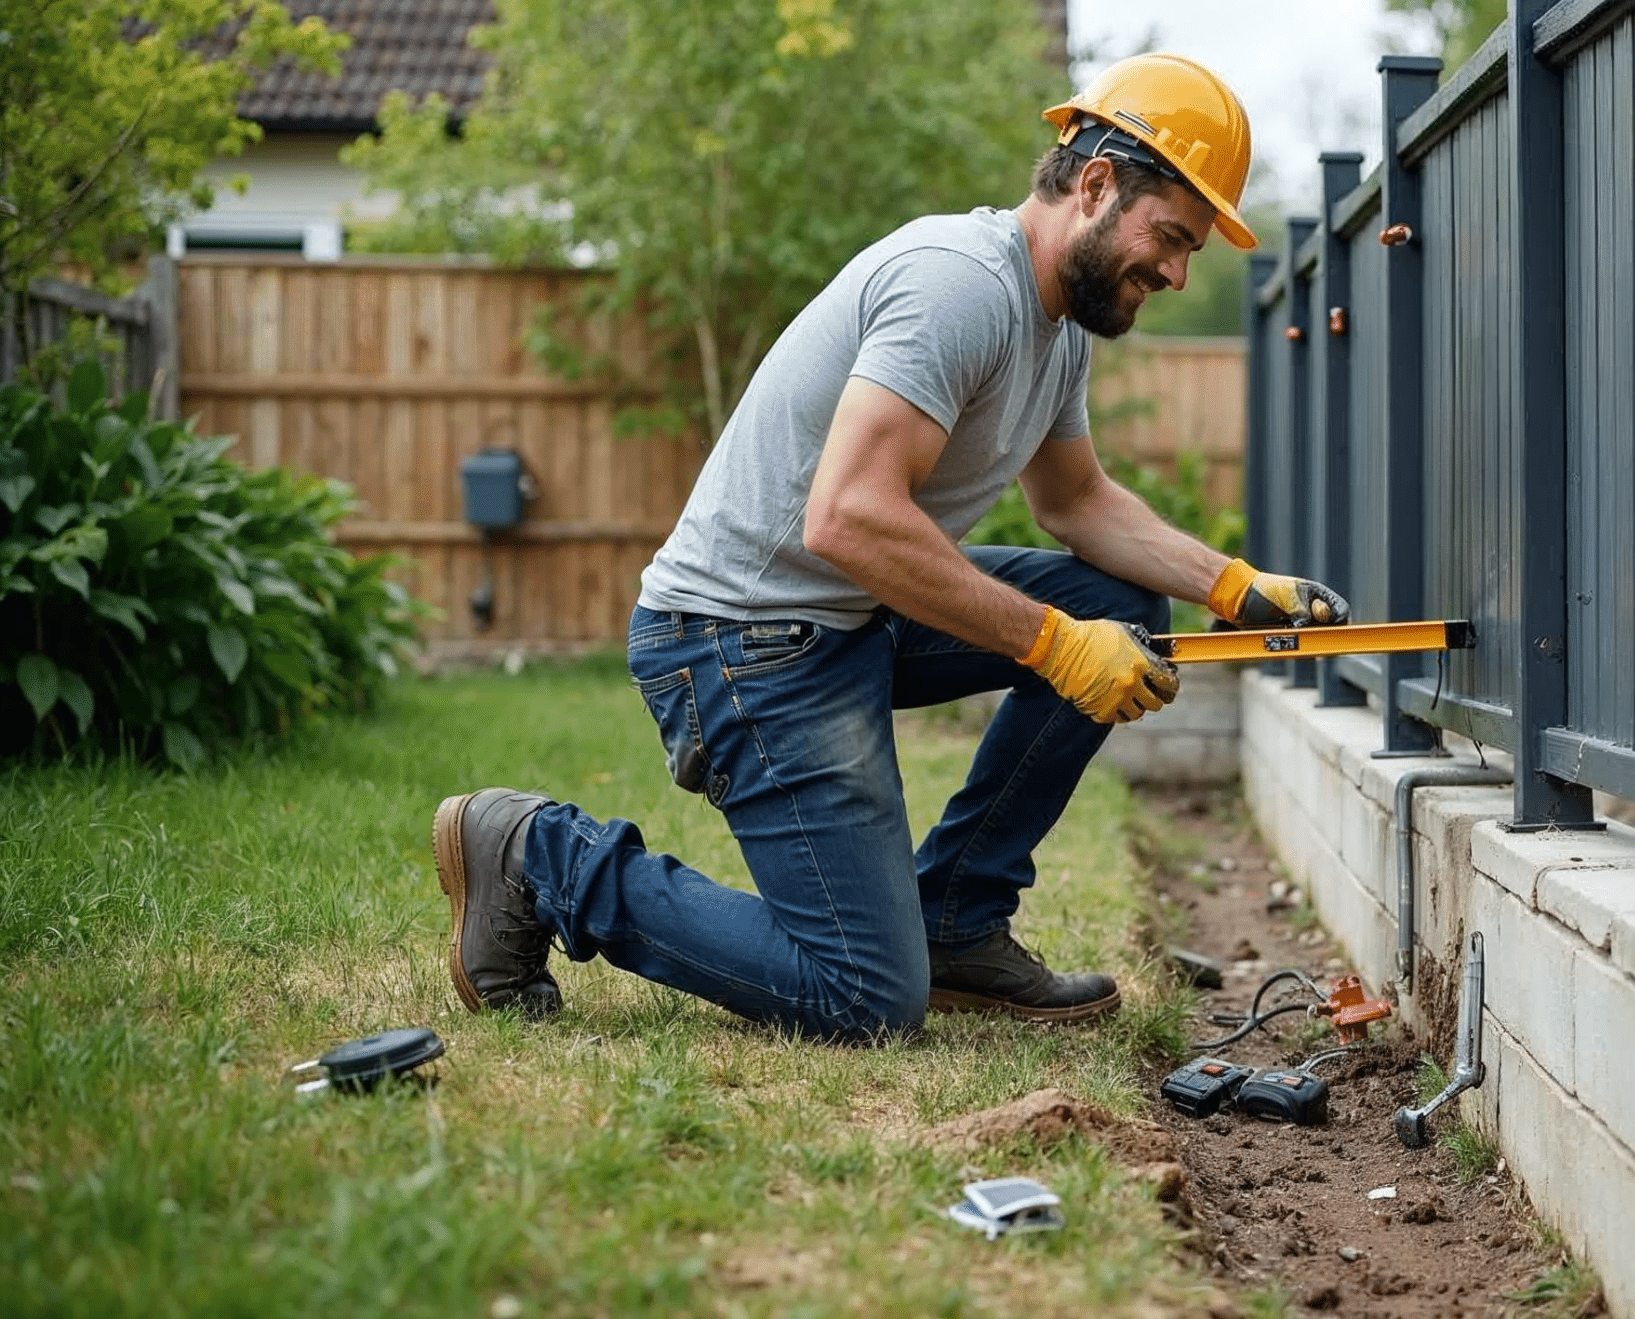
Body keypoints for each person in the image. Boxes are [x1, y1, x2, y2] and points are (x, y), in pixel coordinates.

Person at [428, 55, 1351, 1041]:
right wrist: (1052, 645)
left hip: (846, 611)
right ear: (1094, 185)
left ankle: (957, 919)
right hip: (737, 640)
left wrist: (1232, 584)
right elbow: (849, 516)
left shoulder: (1058, 329)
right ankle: (538, 854)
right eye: (1169, 237)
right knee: (863, 996)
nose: (1176, 273)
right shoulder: (960, 286)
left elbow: (1075, 500)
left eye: (1189, 251)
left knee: (1119, 608)